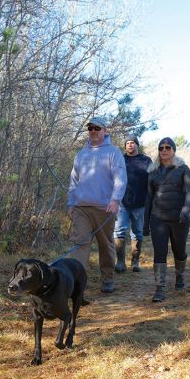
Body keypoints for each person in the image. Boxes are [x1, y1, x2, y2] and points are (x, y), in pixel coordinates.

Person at [68, 116, 127, 293]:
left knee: (106, 245)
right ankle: (75, 284)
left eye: (97, 128)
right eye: (90, 128)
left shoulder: (113, 152)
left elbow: (120, 179)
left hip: (105, 208)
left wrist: (115, 200)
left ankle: (107, 279)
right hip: (81, 209)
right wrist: (71, 203)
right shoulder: (81, 154)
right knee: (80, 244)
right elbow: (73, 181)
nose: (93, 131)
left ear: (104, 131)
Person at [143, 137, 190, 302]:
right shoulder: (152, 172)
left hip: (179, 219)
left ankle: (180, 276)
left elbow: (189, 193)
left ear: (173, 150)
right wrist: (145, 224)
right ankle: (160, 289)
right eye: (161, 148)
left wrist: (185, 211)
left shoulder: (183, 169)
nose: (164, 150)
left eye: (167, 147)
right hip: (158, 219)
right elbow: (149, 199)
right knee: (160, 252)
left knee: (179, 251)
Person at [113, 134, 152, 273]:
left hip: (140, 203)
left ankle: (135, 262)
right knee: (119, 232)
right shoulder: (120, 160)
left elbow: (151, 181)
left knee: (138, 234)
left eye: (133, 142)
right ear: (125, 146)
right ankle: (120, 262)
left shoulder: (146, 160)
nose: (130, 144)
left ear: (137, 145)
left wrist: (150, 200)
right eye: (128, 143)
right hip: (122, 203)